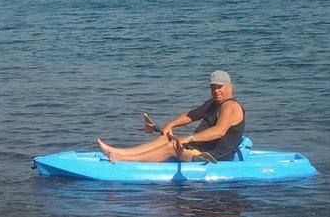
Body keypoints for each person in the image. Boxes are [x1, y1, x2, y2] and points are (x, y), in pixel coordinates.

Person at [97, 70, 245, 163]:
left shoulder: (230, 106)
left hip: (213, 156)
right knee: (166, 138)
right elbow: (192, 115)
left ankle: (123, 159)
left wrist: (188, 138)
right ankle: (118, 151)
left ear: (229, 87)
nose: (216, 91)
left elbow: (219, 131)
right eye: (213, 87)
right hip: (199, 148)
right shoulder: (214, 103)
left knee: (171, 147)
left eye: (220, 87)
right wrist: (171, 125)